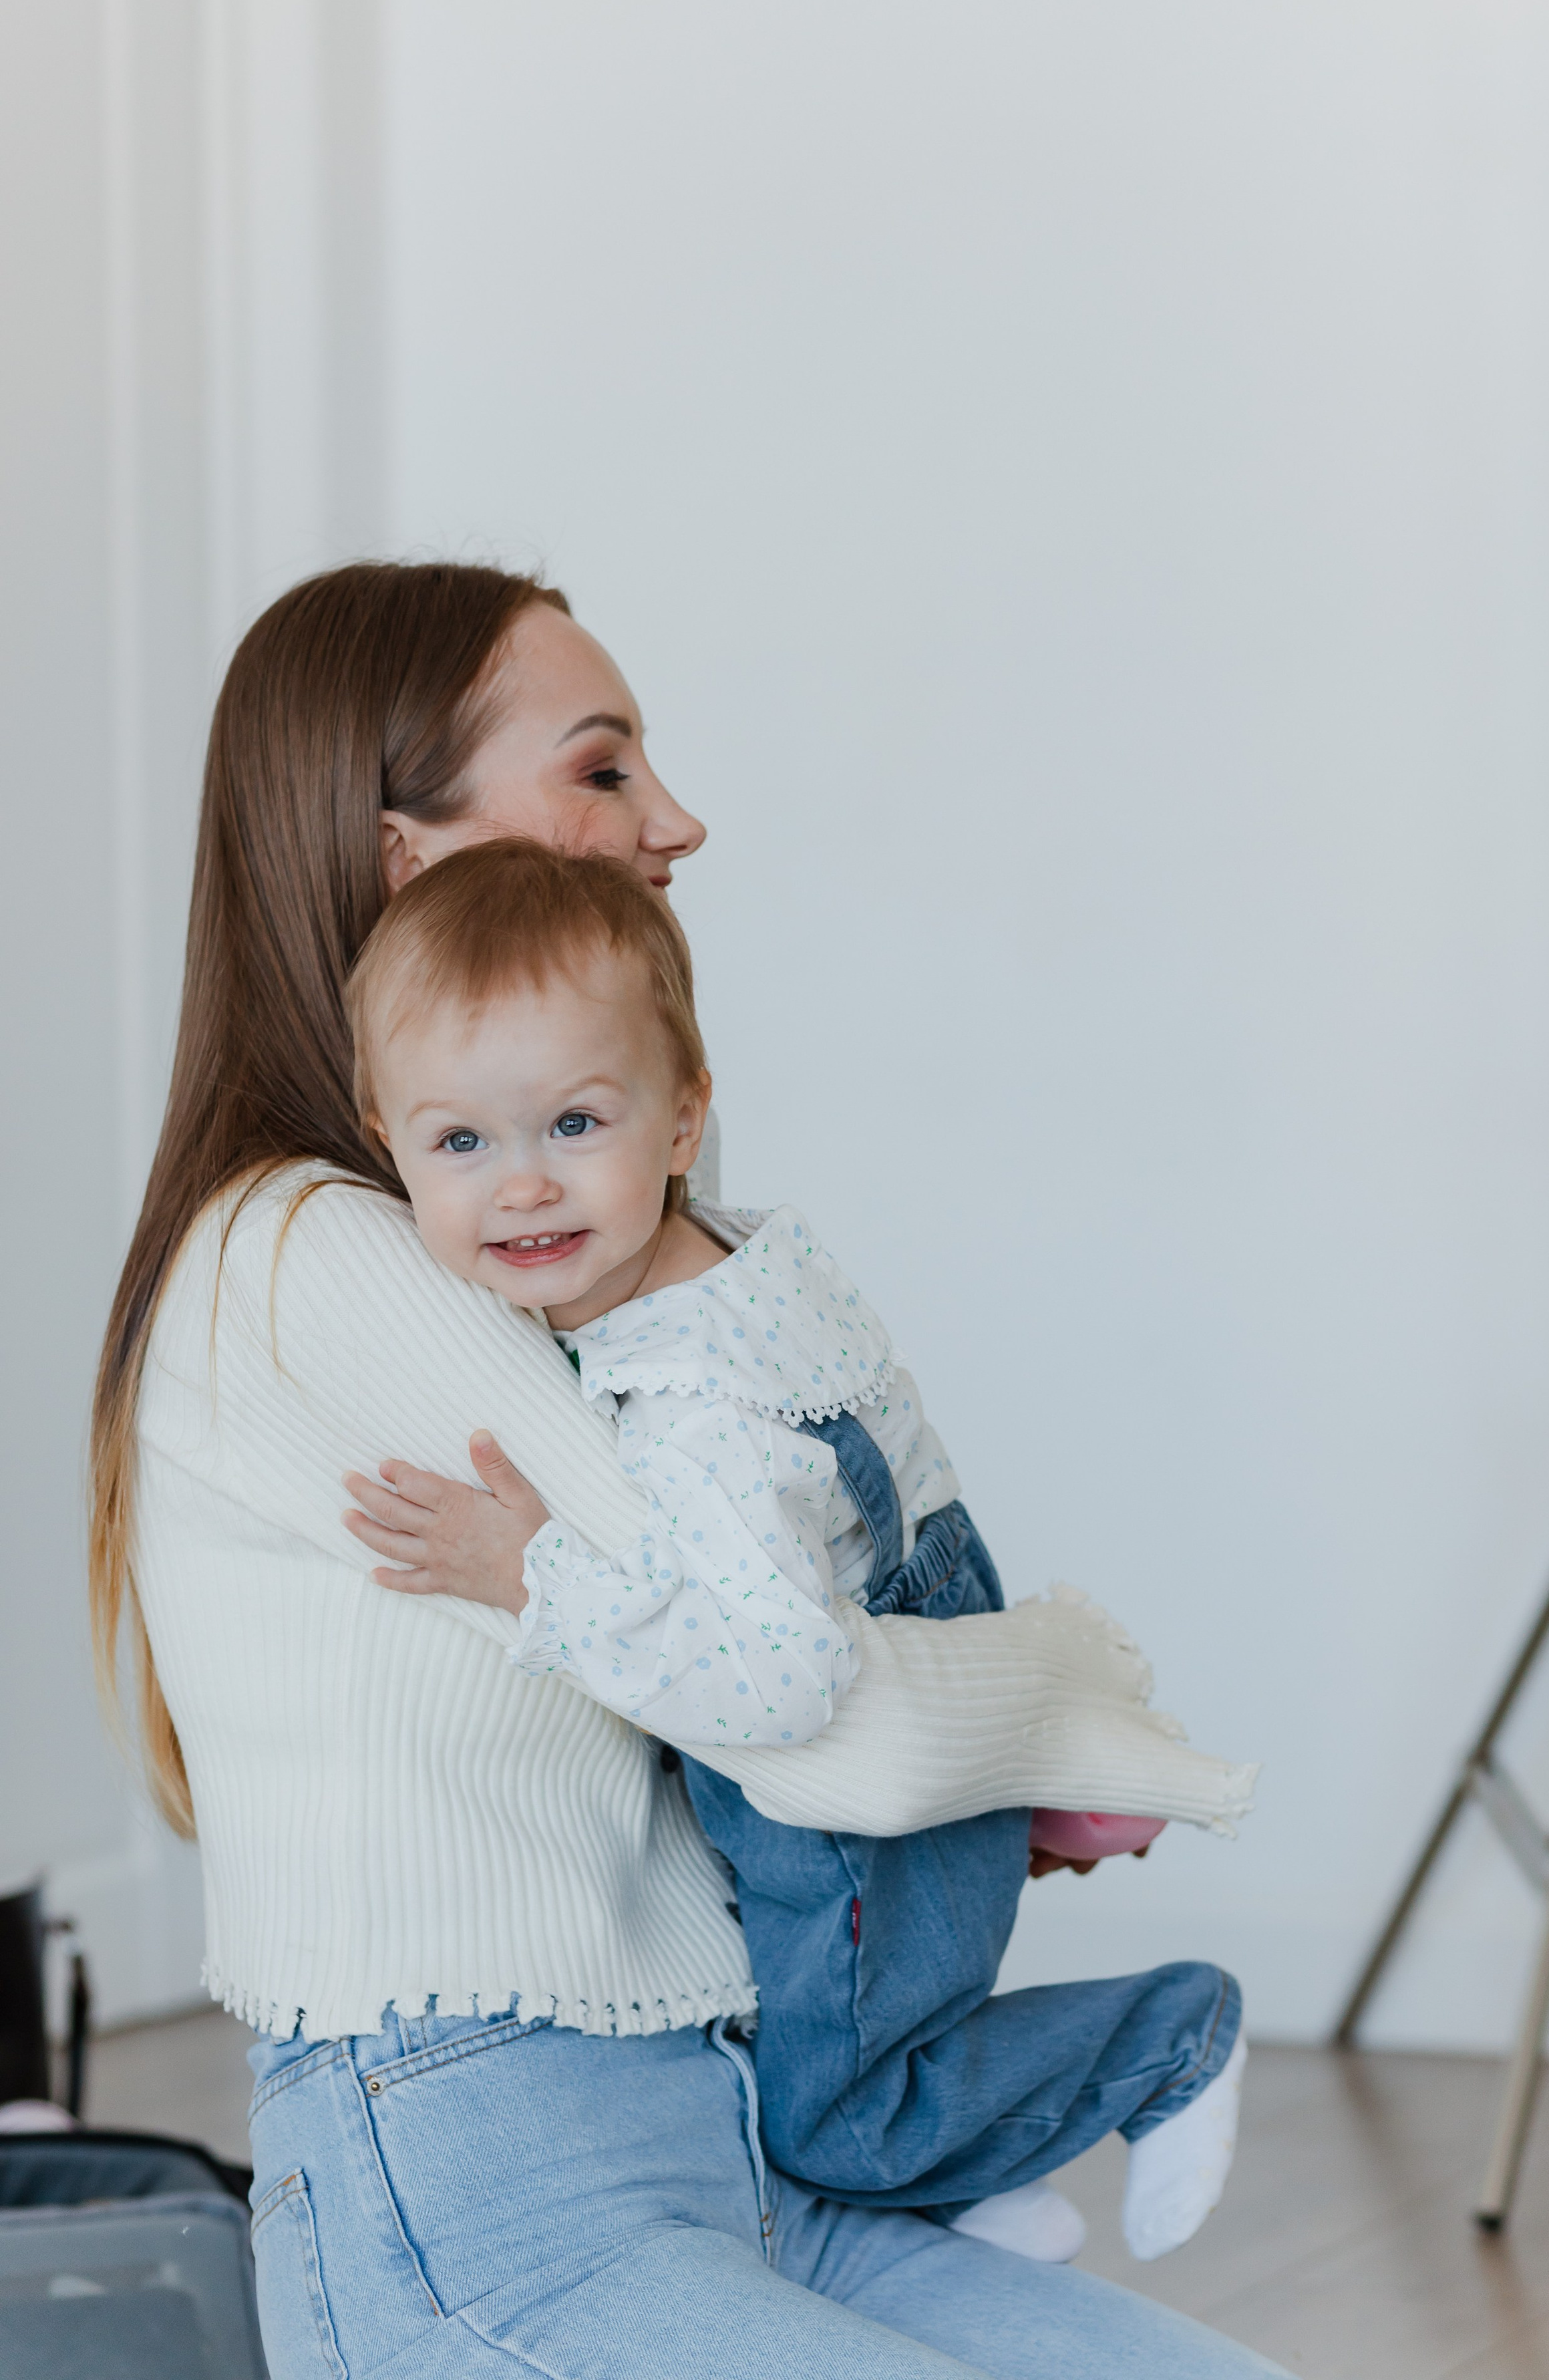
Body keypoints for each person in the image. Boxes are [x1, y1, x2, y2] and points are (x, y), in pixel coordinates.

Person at [92, 560, 1296, 2379]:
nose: (677, 820)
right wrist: (1059, 1715)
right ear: (410, 862)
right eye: (601, 770)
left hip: (733, 2132)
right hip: (486, 2179)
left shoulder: (563, 1258)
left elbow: (772, 1640)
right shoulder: (321, 1262)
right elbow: (826, 1700)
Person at [337, 835, 1254, 2266]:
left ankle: (1160, 2043)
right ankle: (965, 2182)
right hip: (915, 1638)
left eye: (575, 1125)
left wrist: (531, 1577)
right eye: (461, 1142)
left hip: (847, 1752)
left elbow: (773, 1684)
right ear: (386, 1141)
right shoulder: (711, 1258)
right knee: (858, 2032)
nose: (521, 1187)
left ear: (683, 1116)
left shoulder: (706, 1405)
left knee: (834, 2119)